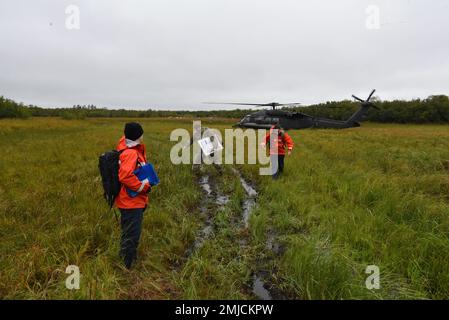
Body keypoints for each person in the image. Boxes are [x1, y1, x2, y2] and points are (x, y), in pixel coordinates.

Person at [115, 122, 151, 269]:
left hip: (131, 201)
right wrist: (144, 187)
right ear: (138, 136)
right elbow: (125, 176)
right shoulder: (130, 153)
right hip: (131, 202)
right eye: (141, 133)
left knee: (129, 232)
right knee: (131, 235)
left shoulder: (128, 146)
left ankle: (128, 259)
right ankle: (127, 266)